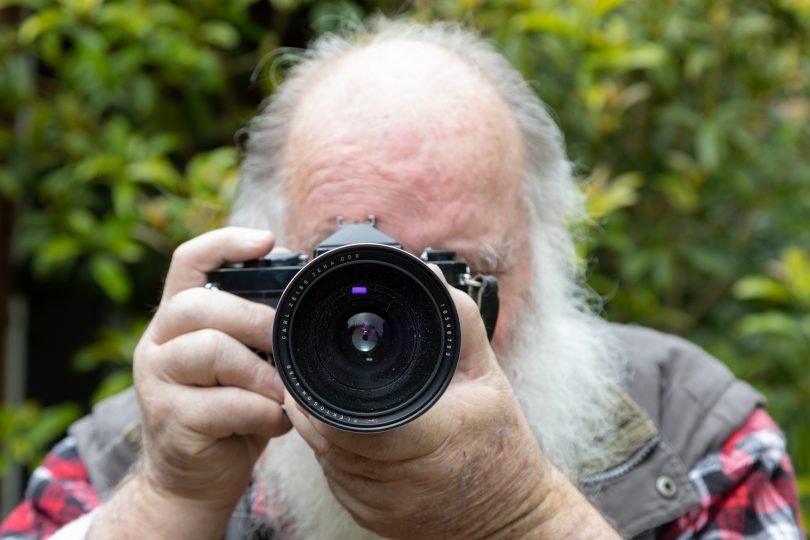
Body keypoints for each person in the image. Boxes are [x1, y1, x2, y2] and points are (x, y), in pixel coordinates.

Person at [1, 20, 803, 540]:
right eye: (339, 269)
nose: (398, 314)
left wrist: (521, 516)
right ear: (261, 265)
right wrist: (167, 505)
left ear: (544, 258)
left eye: (457, 273)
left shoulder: (694, 426)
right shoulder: (142, 447)